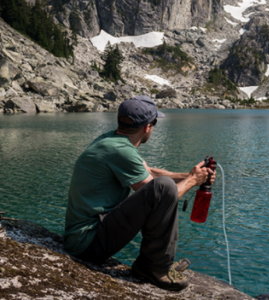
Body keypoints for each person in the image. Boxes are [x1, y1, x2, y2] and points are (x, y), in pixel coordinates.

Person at [64, 95, 216, 291]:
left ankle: (149, 264)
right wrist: (193, 181)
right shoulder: (122, 151)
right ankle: (155, 268)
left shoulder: (112, 141)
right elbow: (161, 194)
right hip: (87, 244)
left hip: (82, 237)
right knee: (163, 188)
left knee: (162, 186)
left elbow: (149, 173)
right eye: (154, 124)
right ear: (147, 127)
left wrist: (191, 175)